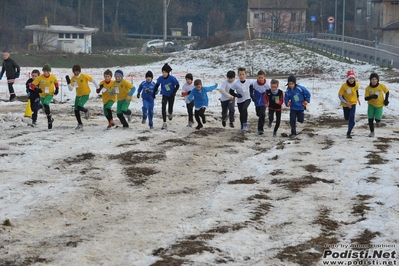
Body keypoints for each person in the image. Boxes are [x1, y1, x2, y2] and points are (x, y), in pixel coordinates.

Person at [66, 65, 98, 130]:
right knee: (76, 110)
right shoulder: (73, 78)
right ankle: (80, 124)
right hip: (78, 95)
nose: (76, 73)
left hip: (85, 94)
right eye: (74, 71)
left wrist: (97, 88)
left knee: (79, 106)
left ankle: (86, 111)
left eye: (77, 71)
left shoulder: (84, 76)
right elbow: (71, 89)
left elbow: (93, 80)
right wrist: (68, 82)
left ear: (79, 71)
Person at [30, 64, 59, 129]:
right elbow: (32, 85)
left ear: (49, 72)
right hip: (42, 95)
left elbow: (56, 82)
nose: (45, 73)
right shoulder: (40, 77)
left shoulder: (53, 77)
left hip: (50, 94)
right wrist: (36, 89)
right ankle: (50, 118)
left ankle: (49, 121)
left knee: (46, 104)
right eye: (44, 71)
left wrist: (57, 89)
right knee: (45, 108)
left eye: (47, 71)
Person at [153, 63, 180, 130]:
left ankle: (170, 113)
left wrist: (174, 93)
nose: (164, 74)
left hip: (171, 95)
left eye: (165, 72)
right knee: (163, 107)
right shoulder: (160, 78)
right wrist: (153, 93)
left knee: (170, 108)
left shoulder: (172, 78)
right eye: (163, 72)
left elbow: (177, 85)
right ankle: (164, 122)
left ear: (168, 72)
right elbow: (157, 85)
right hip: (164, 94)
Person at [284, 75, 311, 139]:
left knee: (300, 120)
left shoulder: (300, 88)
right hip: (293, 108)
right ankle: (293, 132)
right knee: (292, 120)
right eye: (289, 84)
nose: (291, 85)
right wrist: (287, 103)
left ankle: (300, 120)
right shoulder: (288, 91)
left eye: (292, 84)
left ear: (295, 83)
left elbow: (308, 94)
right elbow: (286, 99)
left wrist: (306, 101)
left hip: (300, 107)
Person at [364, 72, 389, 137]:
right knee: (370, 119)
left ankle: (378, 120)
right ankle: (372, 132)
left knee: (377, 119)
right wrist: (372, 96)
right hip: (371, 105)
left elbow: (387, 92)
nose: (374, 81)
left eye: (375, 79)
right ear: (370, 80)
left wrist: (386, 100)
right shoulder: (368, 88)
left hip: (379, 105)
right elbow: (366, 98)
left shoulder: (381, 86)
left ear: (377, 80)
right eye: (372, 79)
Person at [338, 70, 361, 139]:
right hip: (345, 104)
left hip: (353, 103)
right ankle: (351, 121)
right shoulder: (344, 86)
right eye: (350, 78)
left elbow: (356, 91)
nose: (351, 80)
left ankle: (349, 132)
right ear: (347, 79)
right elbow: (340, 95)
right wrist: (346, 102)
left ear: (354, 79)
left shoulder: (357, 84)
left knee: (351, 117)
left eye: (352, 78)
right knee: (347, 117)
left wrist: (358, 98)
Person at [229, 67, 252, 133]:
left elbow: (251, 86)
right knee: (241, 113)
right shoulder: (236, 83)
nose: (242, 76)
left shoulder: (248, 81)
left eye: (243, 74)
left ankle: (245, 124)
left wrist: (251, 94)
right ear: (238, 75)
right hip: (240, 101)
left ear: (245, 75)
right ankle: (242, 126)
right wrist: (237, 95)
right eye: (240, 74)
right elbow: (231, 91)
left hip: (247, 98)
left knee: (244, 109)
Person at [250, 70, 270, 135]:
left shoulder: (267, 85)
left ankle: (260, 129)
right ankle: (261, 117)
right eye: (259, 77)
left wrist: (269, 101)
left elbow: (270, 93)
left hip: (264, 102)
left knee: (262, 114)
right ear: (257, 78)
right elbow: (250, 92)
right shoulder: (254, 84)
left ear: (264, 77)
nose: (261, 79)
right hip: (257, 102)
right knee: (258, 114)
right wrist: (252, 97)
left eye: (262, 77)